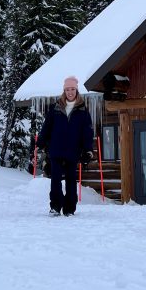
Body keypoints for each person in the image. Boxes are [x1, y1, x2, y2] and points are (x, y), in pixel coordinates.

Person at [37, 76, 95, 216]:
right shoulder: (55, 107)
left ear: (76, 90)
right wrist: (40, 142)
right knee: (55, 180)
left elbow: (87, 131)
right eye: (67, 89)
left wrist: (88, 150)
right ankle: (55, 207)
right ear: (64, 91)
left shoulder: (82, 110)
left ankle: (69, 208)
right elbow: (47, 126)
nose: (70, 92)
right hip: (56, 150)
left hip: (73, 151)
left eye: (72, 89)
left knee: (70, 180)